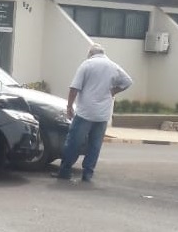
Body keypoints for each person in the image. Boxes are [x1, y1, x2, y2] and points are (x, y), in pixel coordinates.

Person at [53, 43, 132, 182]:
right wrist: (113, 91)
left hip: (86, 112)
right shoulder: (113, 66)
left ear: (90, 53)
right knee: (95, 145)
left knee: (74, 142)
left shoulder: (87, 65)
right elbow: (128, 81)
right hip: (103, 114)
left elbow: (74, 88)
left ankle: (65, 171)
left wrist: (69, 106)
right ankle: (87, 174)